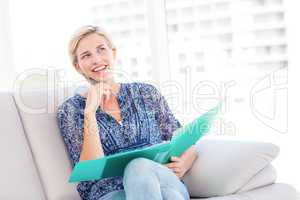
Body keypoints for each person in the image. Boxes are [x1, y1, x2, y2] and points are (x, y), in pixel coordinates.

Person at [57, 25, 198, 200]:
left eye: (101, 49)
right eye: (86, 55)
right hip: (110, 193)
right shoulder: (71, 110)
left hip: (161, 180)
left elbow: (184, 141)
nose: (96, 59)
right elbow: (90, 170)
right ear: (78, 66)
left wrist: (185, 162)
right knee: (169, 195)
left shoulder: (146, 93)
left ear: (113, 53)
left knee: (141, 168)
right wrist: (90, 113)